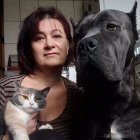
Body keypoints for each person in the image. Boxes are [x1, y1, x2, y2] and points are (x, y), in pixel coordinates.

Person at [0, 6, 82, 140]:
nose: (49, 44)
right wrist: (10, 136)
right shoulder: (4, 89)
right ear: (29, 49)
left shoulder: (77, 95)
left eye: (56, 36)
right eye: (39, 38)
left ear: (68, 45)